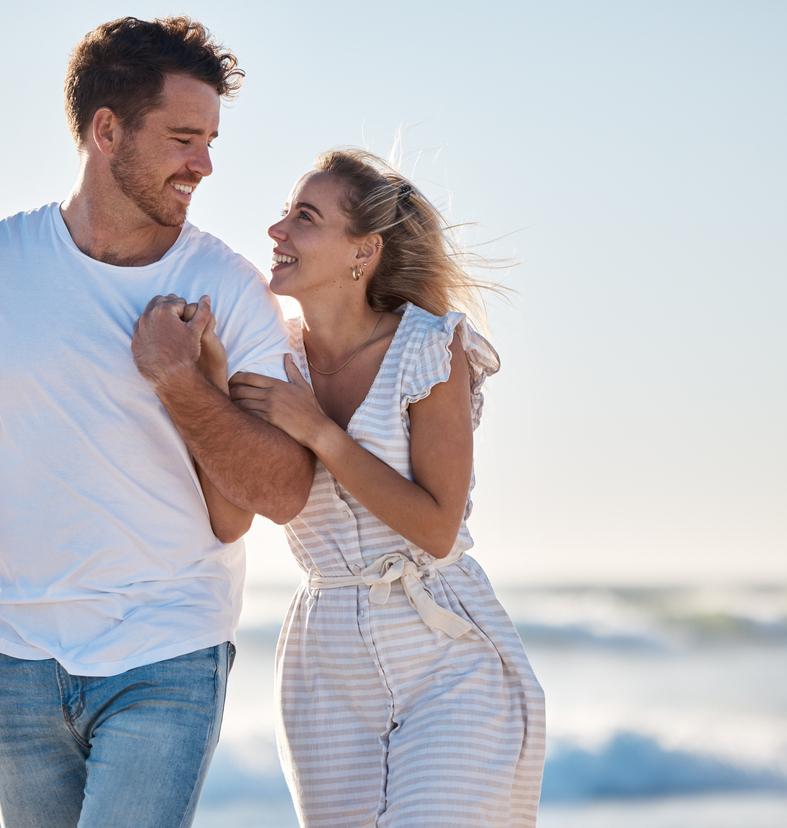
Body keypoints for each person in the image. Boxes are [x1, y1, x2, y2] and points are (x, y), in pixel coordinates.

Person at [0, 16, 313, 828]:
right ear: (106, 131)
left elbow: (281, 492)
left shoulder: (228, 284)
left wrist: (180, 382)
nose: (204, 164)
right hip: (17, 656)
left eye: (211, 140)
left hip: (168, 651)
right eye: (183, 137)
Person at [217, 149, 545, 826]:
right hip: (324, 658)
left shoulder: (429, 347)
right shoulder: (263, 354)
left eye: (303, 218)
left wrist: (318, 431)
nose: (276, 230)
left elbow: (434, 527)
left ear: (361, 252)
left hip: (443, 650)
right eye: (284, 214)